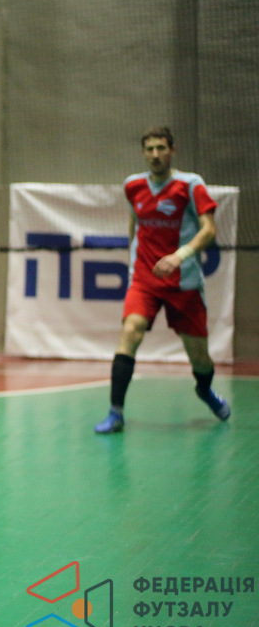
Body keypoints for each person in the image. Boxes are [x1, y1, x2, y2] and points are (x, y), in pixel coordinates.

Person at [94, 126, 231, 434]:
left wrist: (179, 256)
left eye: (161, 148)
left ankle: (205, 390)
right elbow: (135, 222)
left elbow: (209, 230)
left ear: (172, 150)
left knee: (200, 358)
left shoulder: (190, 185)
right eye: (150, 149)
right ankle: (116, 413)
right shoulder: (133, 186)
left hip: (184, 284)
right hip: (144, 280)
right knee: (130, 332)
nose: (155, 155)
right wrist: (133, 262)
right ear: (143, 153)